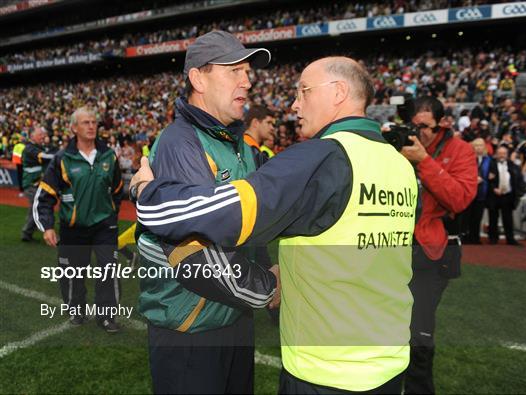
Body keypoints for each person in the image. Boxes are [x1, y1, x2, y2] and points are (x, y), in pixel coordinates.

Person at [130, 56, 418, 394]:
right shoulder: (400, 167)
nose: (295, 104)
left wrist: (148, 192)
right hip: (389, 362)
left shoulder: (321, 159)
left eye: (304, 91)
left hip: (326, 371)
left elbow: (225, 214)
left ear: (339, 92)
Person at [132, 30, 278, 394]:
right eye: (234, 70)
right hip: (191, 330)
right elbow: (197, 255)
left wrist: (262, 270)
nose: (247, 80)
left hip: (232, 318)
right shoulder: (180, 144)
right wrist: (268, 287)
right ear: (198, 78)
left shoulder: (236, 143)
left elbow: (252, 226)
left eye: (248, 71)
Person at [399, 96, 478, 394]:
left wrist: (424, 162)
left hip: (431, 253)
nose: (420, 133)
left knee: (419, 329)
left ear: (443, 123)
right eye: (414, 126)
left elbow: (459, 199)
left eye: (426, 127)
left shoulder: (460, 150)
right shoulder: (399, 147)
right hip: (393, 247)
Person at [33, 107, 124, 332]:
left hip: (105, 226)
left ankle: (107, 316)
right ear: (74, 128)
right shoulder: (63, 159)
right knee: (72, 272)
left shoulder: (108, 155)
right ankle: (77, 310)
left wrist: (110, 212)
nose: (92, 126)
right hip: (73, 228)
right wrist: (46, 227)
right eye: (86, 122)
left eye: (94, 122)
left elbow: (118, 189)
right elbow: (44, 196)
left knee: (108, 268)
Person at [21, 126, 55, 241]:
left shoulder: (37, 147)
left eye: (43, 134)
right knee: (38, 208)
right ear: (32, 136)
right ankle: (28, 233)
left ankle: (28, 233)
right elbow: (45, 157)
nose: (43, 136)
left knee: (37, 209)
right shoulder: (30, 149)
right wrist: (60, 155)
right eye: (40, 134)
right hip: (32, 185)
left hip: (37, 184)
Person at [487, 145, 525, 245]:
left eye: (504, 153)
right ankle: (493, 238)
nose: (502, 155)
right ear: (496, 154)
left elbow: (519, 180)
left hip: (508, 195)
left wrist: (519, 193)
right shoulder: (491, 165)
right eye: (500, 153)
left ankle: (510, 239)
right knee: (493, 218)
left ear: (507, 155)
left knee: (508, 219)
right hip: (494, 195)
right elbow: (487, 180)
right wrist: (493, 189)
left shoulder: (513, 166)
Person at [463, 138, 492, 244]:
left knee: (477, 216)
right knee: (467, 216)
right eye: (476, 145)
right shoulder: (467, 158)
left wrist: (488, 177)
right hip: (468, 192)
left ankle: (475, 237)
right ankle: (465, 237)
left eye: (481, 145)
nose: (478, 147)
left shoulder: (488, 160)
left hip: (482, 192)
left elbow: (492, 172)